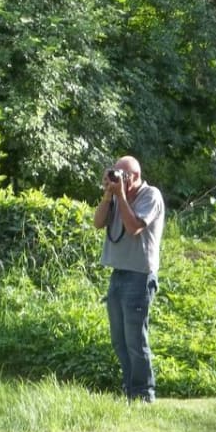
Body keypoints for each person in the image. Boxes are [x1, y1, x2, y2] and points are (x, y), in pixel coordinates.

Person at [92, 156, 165, 403]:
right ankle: (130, 391)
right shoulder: (114, 196)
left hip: (139, 275)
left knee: (136, 340)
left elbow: (133, 227)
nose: (117, 179)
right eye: (115, 173)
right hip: (118, 273)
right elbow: (97, 223)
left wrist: (121, 196)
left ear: (134, 176)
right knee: (119, 340)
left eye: (122, 175)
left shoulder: (150, 195)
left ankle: (144, 394)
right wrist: (107, 195)